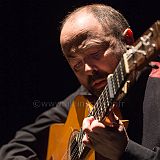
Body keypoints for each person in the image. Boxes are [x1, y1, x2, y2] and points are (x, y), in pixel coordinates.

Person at [0, 3, 160, 160]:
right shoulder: (85, 98)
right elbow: (15, 147)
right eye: (77, 65)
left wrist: (125, 152)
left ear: (127, 40)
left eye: (95, 53)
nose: (88, 70)